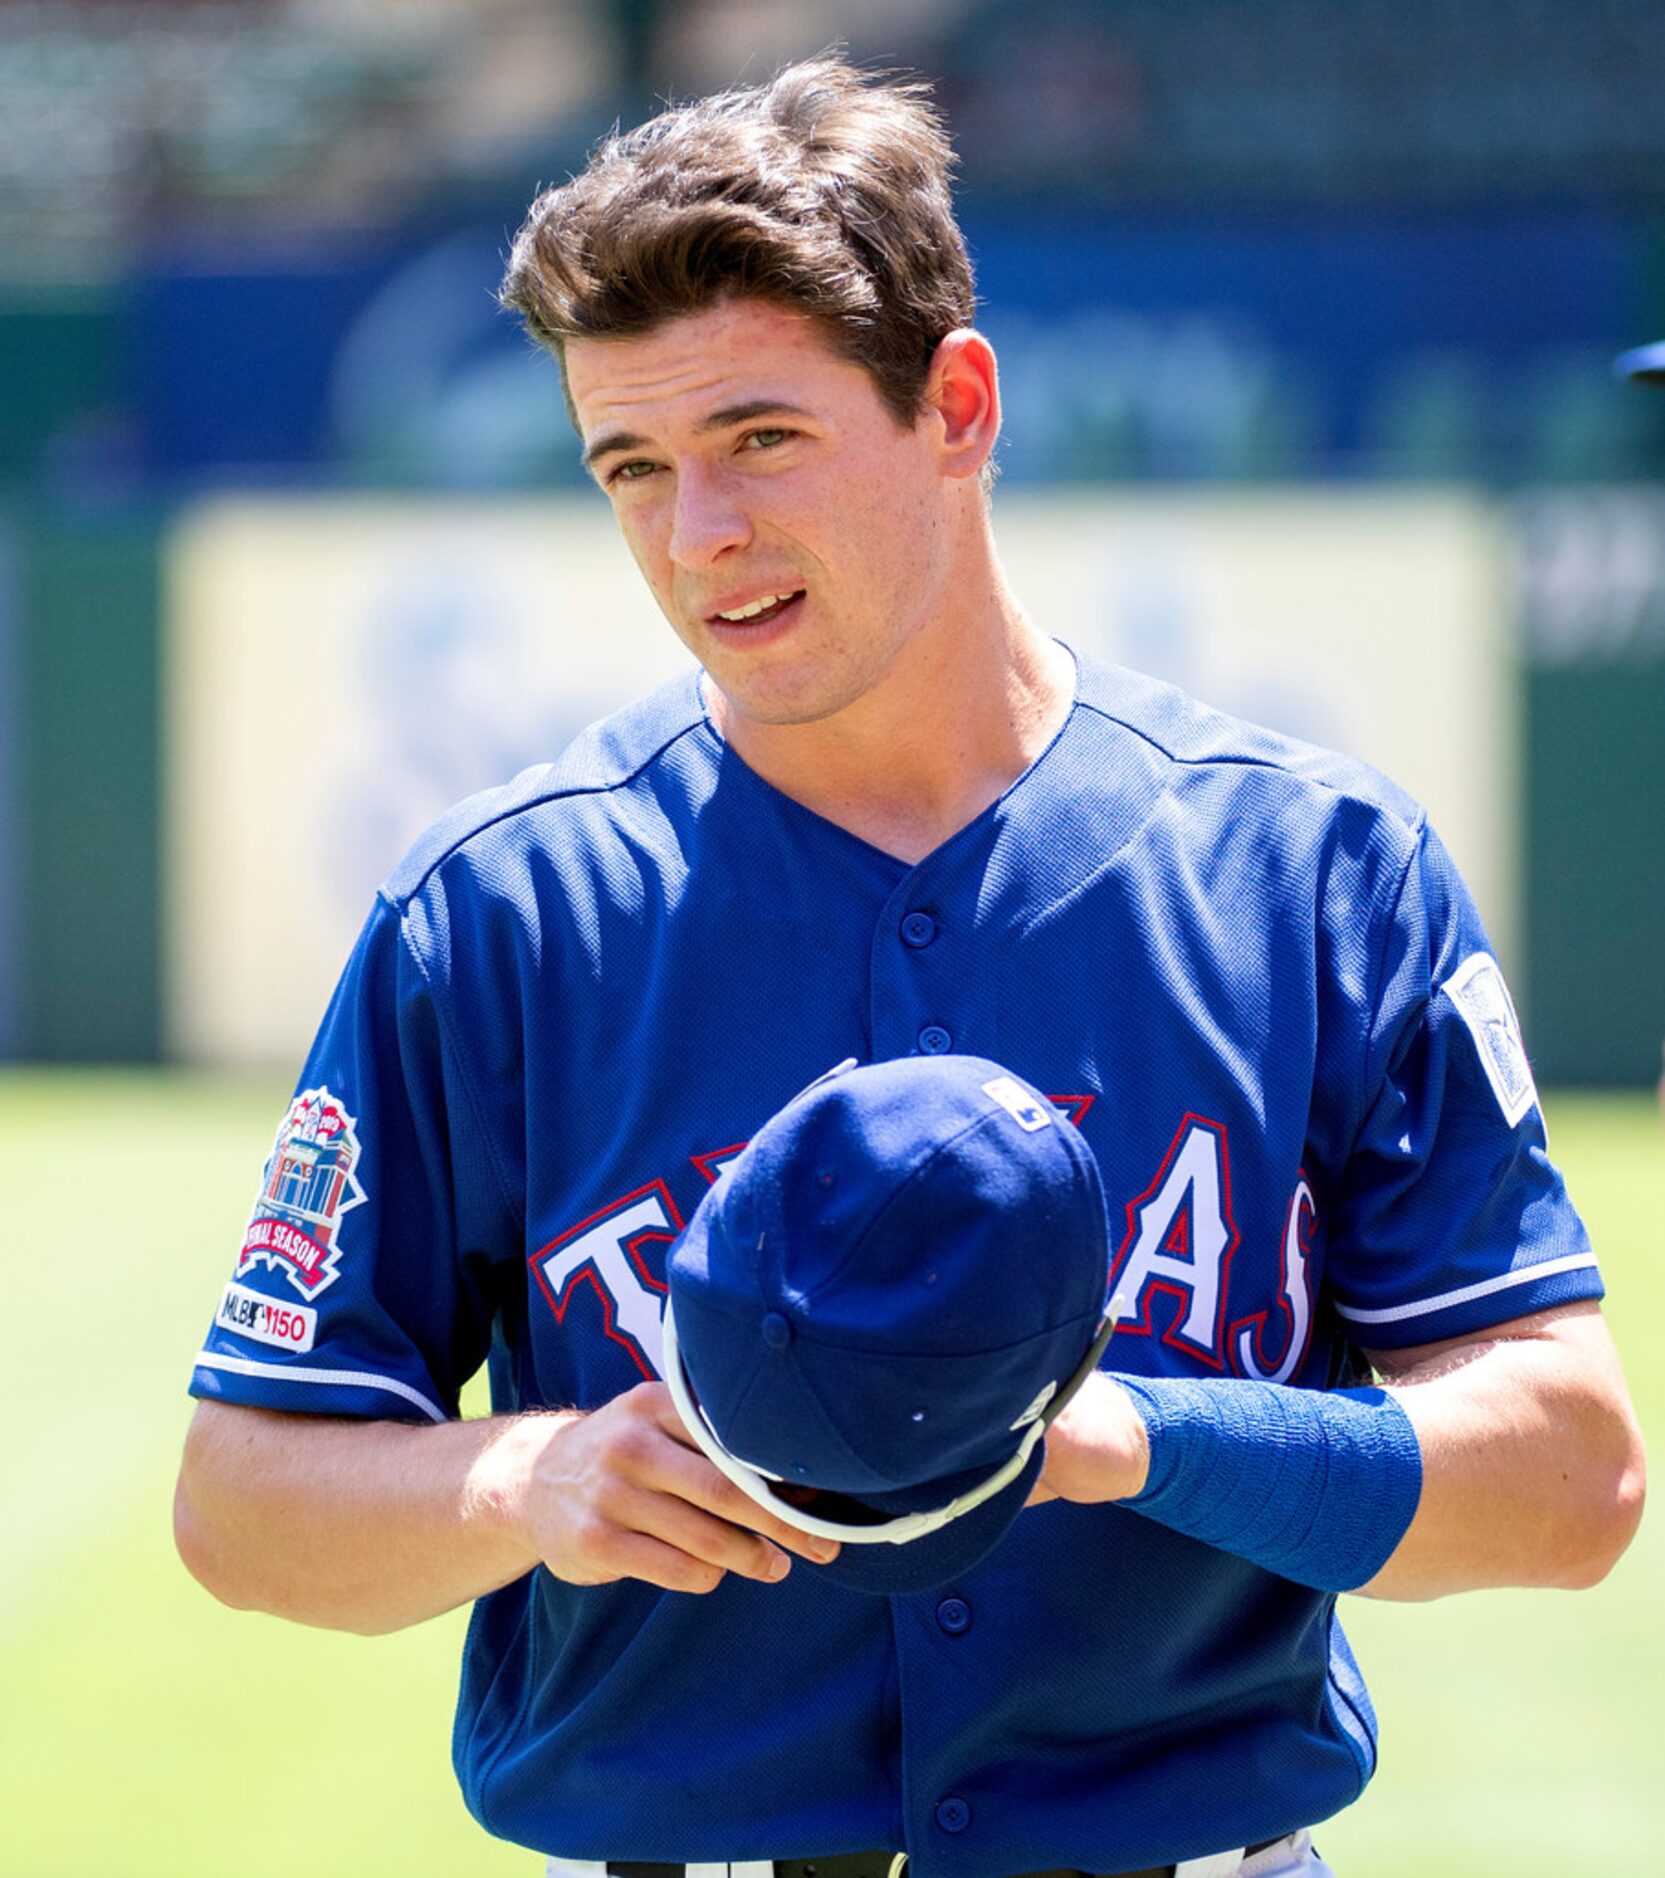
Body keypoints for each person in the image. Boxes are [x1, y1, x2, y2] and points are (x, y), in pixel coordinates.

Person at [174, 56, 1646, 1878]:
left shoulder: (1313, 872)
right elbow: (244, 1500)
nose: (695, 533)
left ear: (956, 406)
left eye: (760, 440)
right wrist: (527, 1481)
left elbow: (1571, 1473)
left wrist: (1138, 1435)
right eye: (630, 465)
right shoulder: (498, 913)